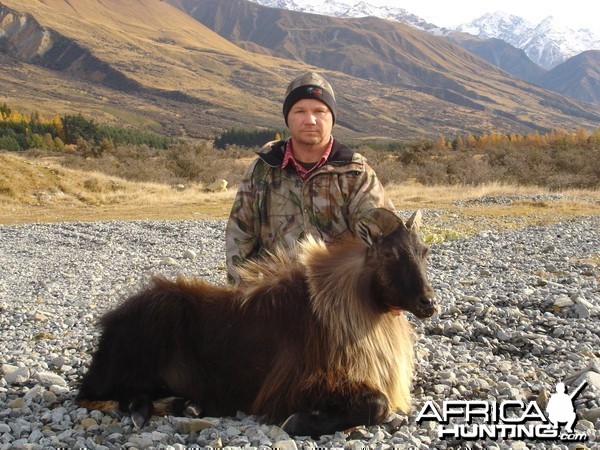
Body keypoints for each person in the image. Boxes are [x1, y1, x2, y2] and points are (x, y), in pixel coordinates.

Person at [225, 71, 394, 284]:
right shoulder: (262, 169)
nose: (310, 120)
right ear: (287, 118)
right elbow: (239, 237)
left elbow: (385, 239)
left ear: (332, 117)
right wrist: (241, 297)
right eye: (299, 111)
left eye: (319, 111)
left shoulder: (356, 173)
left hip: (340, 295)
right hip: (274, 296)